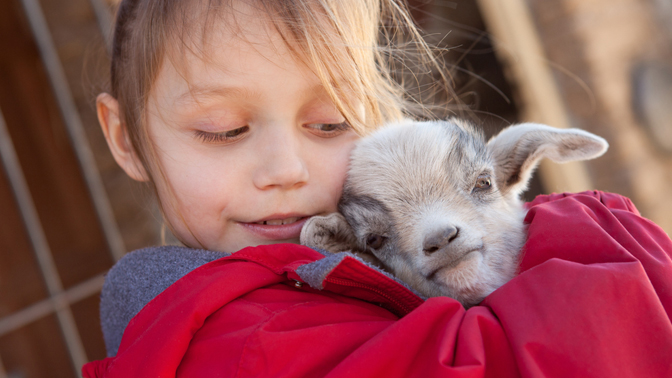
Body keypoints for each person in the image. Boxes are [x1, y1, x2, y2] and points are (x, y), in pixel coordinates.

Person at [83, 0, 672, 377]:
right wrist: (596, 229)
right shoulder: (246, 344)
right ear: (126, 139)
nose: (286, 168)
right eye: (224, 130)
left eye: (329, 123)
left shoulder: (340, 282)